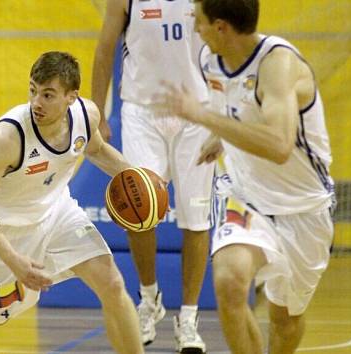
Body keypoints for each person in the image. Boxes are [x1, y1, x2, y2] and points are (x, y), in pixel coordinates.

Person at [0, 51, 145, 354]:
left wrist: (136, 178)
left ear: (71, 97)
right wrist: (14, 260)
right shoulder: (8, 136)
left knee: (112, 283)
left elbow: (96, 149)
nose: (37, 102)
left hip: (57, 213)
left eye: (48, 95)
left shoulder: (87, 116)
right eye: (33, 90)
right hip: (3, 230)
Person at [162, 0, 335, 353]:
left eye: (200, 22)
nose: (195, 29)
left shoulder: (278, 64)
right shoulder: (211, 61)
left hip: (303, 208)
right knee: (229, 281)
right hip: (245, 195)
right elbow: (239, 110)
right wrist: (221, 138)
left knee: (285, 320)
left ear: (221, 27)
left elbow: (280, 144)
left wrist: (205, 119)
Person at [92, 0, 214, 350]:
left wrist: (225, 115)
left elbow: (226, 53)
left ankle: (188, 320)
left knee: (196, 218)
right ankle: (149, 299)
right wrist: (98, 114)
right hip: (143, 111)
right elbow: (104, 50)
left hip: (198, 112)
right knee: (138, 209)